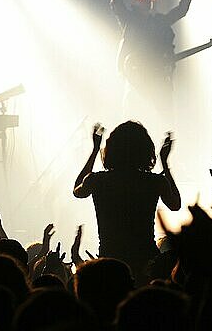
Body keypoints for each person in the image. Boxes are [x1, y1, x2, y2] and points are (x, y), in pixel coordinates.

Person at [73, 121, 181, 283]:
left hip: (110, 259)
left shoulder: (98, 180)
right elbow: (175, 204)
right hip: (146, 260)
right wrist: (165, 164)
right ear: (145, 150)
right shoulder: (154, 181)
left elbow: (77, 190)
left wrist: (95, 150)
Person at [110, 0, 194, 116]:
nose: (147, 2)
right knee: (133, 117)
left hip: (159, 81)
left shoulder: (159, 22)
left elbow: (181, 10)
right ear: (135, 1)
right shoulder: (131, 21)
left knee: (164, 119)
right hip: (136, 80)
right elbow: (116, 4)